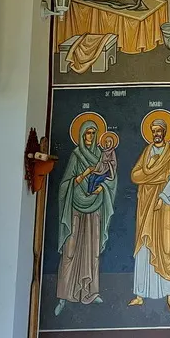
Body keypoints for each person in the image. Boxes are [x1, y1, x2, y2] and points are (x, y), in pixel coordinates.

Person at [54, 120, 117, 313]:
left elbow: (111, 181)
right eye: (87, 133)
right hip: (75, 206)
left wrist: (101, 188)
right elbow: (65, 185)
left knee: (92, 250)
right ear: (82, 135)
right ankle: (64, 295)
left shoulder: (101, 156)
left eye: (93, 133)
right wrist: (83, 175)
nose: (90, 136)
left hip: (95, 206)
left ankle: (90, 292)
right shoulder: (76, 155)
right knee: (70, 250)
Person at [129, 117, 170, 314]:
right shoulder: (147, 151)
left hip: (164, 205)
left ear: (164, 132)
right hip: (146, 204)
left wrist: (162, 197)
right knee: (145, 245)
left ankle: (169, 296)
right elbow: (135, 175)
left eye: (159, 131)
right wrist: (156, 176)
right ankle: (140, 294)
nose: (156, 134)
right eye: (153, 131)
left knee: (165, 246)